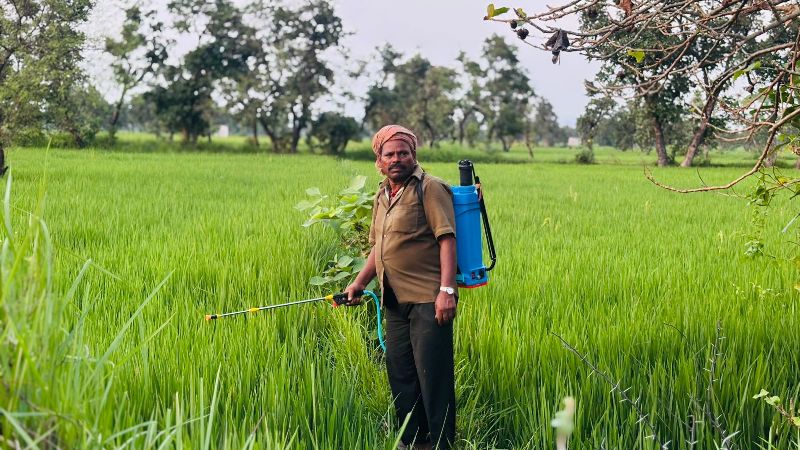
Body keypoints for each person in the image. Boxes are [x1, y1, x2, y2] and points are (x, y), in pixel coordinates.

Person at [344, 124, 458, 450]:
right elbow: (379, 246)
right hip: (393, 299)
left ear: (414, 155)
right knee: (402, 375)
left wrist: (446, 291)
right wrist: (359, 282)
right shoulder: (382, 194)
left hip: (427, 298)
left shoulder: (431, 188)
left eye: (403, 152)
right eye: (389, 154)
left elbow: (446, 239)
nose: (397, 159)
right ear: (379, 161)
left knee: (432, 377)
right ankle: (413, 441)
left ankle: (441, 444)